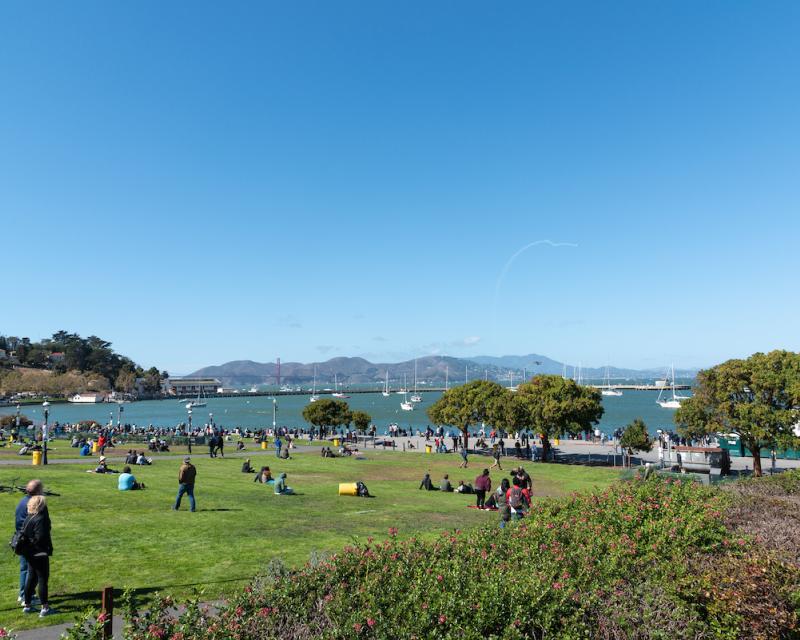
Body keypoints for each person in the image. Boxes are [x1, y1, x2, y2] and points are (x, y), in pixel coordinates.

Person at [20, 495, 54, 617]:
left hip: (29, 553)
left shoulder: (29, 517)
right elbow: (40, 537)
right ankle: (45, 608)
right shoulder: (40, 519)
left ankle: (27, 605)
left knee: (31, 577)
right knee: (42, 579)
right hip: (39, 552)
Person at [15, 480, 42, 605]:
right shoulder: (32, 504)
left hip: (20, 538)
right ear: (37, 491)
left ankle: (22, 594)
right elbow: (34, 523)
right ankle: (28, 597)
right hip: (28, 541)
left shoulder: (22, 501)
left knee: (24, 569)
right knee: (32, 570)